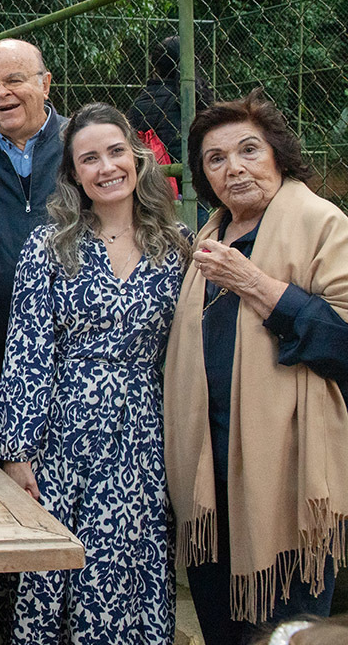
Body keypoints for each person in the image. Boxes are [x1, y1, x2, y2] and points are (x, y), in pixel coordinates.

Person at [0, 102, 190, 645]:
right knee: (55, 564)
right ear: (74, 173)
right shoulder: (50, 246)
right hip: (63, 432)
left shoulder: (178, 249)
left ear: (139, 158)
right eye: (90, 158)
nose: (107, 168)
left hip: (145, 433)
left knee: (130, 555)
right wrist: (16, 450)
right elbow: (27, 352)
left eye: (116, 152)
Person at [164, 89, 348, 645]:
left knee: (286, 628)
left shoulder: (323, 224)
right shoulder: (211, 234)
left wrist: (259, 287)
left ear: (279, 155)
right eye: (215, 159)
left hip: (288, 482)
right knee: (222, 625)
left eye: (249, 150)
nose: (233, 168)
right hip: (210, 475)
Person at [0, 38, 65, 461]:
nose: (1, 93)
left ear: (46, 84)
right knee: (8, 472)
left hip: (72, 351)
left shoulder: (83, 146)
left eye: (14, 80)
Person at [126, 35, 213, 165]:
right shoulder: (201, 96)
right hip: (198, 173)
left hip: (156, 179)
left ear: (155, 66)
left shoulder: (140, 104)